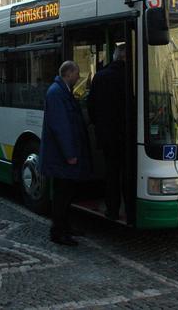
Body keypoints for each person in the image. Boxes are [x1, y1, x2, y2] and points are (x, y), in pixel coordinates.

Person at [40, 61, 93, 246]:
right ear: (68, 73)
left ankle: (66, 227)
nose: (78, 77)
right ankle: (58, 232)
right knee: (62, 197)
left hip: (63, 157)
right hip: (61, 158)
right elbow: (60, 127)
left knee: (67, 195)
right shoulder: (56, 93)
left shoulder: (62, 91)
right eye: (77, 74)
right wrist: (70, 154)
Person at [88, 44, 127, 221]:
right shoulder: (131, 76)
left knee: (111, 173)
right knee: (127, 174)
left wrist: (99, 126)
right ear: (126, 57)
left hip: (106, 135)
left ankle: (112, 209)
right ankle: (130, 210)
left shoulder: (100, 76)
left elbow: (91, 106)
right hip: (127, 135)